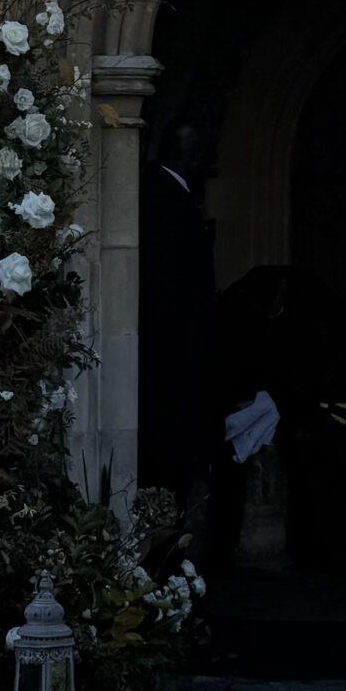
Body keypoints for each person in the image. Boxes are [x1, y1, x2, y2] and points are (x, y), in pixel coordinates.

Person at [138, 118, 219, 523]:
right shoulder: (165, 199)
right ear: (187, 154)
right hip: (171, 363)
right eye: (202, 152)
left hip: (170, 362)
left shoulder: (164, 194)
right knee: (169, 465)